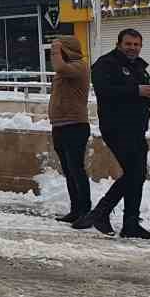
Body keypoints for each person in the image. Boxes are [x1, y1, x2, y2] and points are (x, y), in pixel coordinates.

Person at [74, 28, 150, 239]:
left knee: (137, 174)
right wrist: (136, 90)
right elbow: (105, 91)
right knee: (134, 173)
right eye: (129, 44)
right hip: (117, 128)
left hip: (137, 127)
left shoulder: (140, 68)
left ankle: (128, 222)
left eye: (136, 45)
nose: (133, 48)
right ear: (119, 44)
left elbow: (139, 98)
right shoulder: (106, 64)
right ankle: (102, 213)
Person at [47, 35, 92, 223]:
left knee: (76, 169)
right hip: (59, 125)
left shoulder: (79, 66)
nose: (56, 53)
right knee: (68, 170)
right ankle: (75, 209)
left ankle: (85, 211)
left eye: (60, 49)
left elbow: (59, 67)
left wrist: (56, 49)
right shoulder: (66, 70)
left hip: (75, 125)